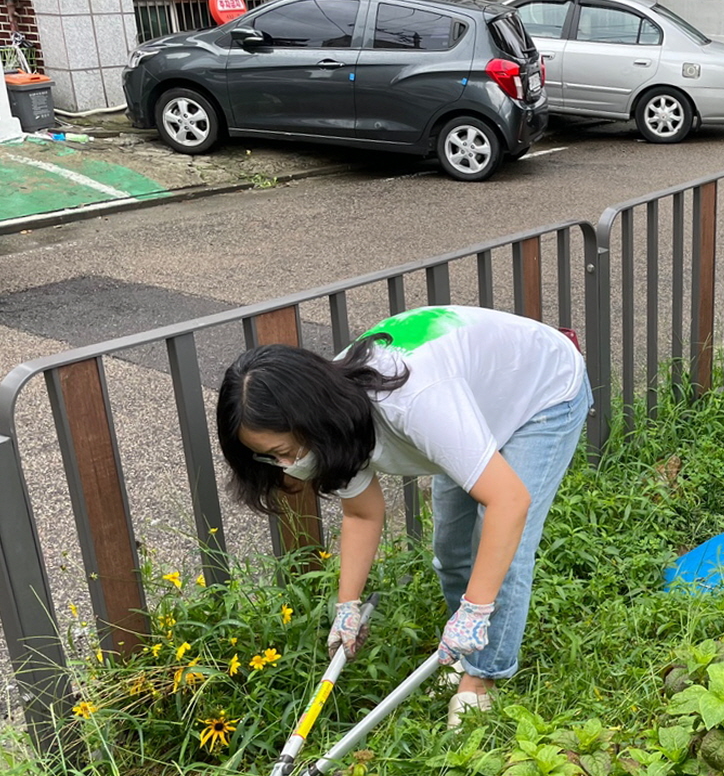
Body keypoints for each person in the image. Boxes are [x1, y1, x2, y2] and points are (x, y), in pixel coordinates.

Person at [216, 305, 591, 727]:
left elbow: (510, 502)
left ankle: (484, 676)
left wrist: (477, 609)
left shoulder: (413, 403)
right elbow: (362, 514)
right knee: (451, 549)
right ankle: (464, 648)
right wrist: (347, 605)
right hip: (474, 400)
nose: (285, 466)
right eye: (269, 458)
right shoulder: (332, 427)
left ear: (312, 423)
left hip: (542, 390)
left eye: (284, 452)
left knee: (500, 539)